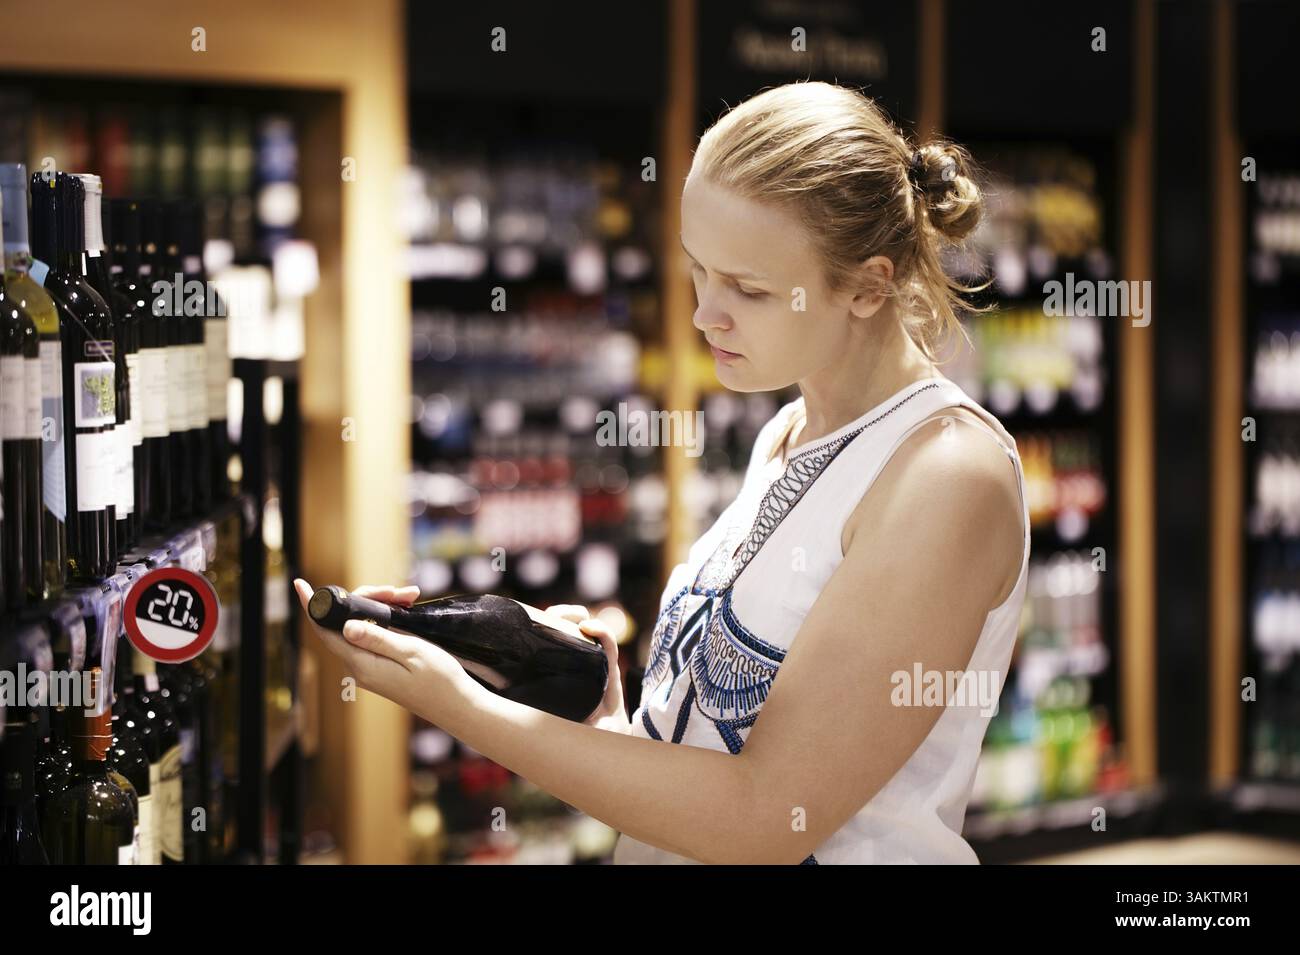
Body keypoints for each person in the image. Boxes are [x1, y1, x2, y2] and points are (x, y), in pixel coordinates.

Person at [294, 80, 1029, 864]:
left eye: (748, 289)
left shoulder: (947, 475)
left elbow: (763, 817)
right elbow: (704, 773)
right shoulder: (788, 434)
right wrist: (602, 713)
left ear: (868, 285)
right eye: (697, 271)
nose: (703, 315)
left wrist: (458, 705)